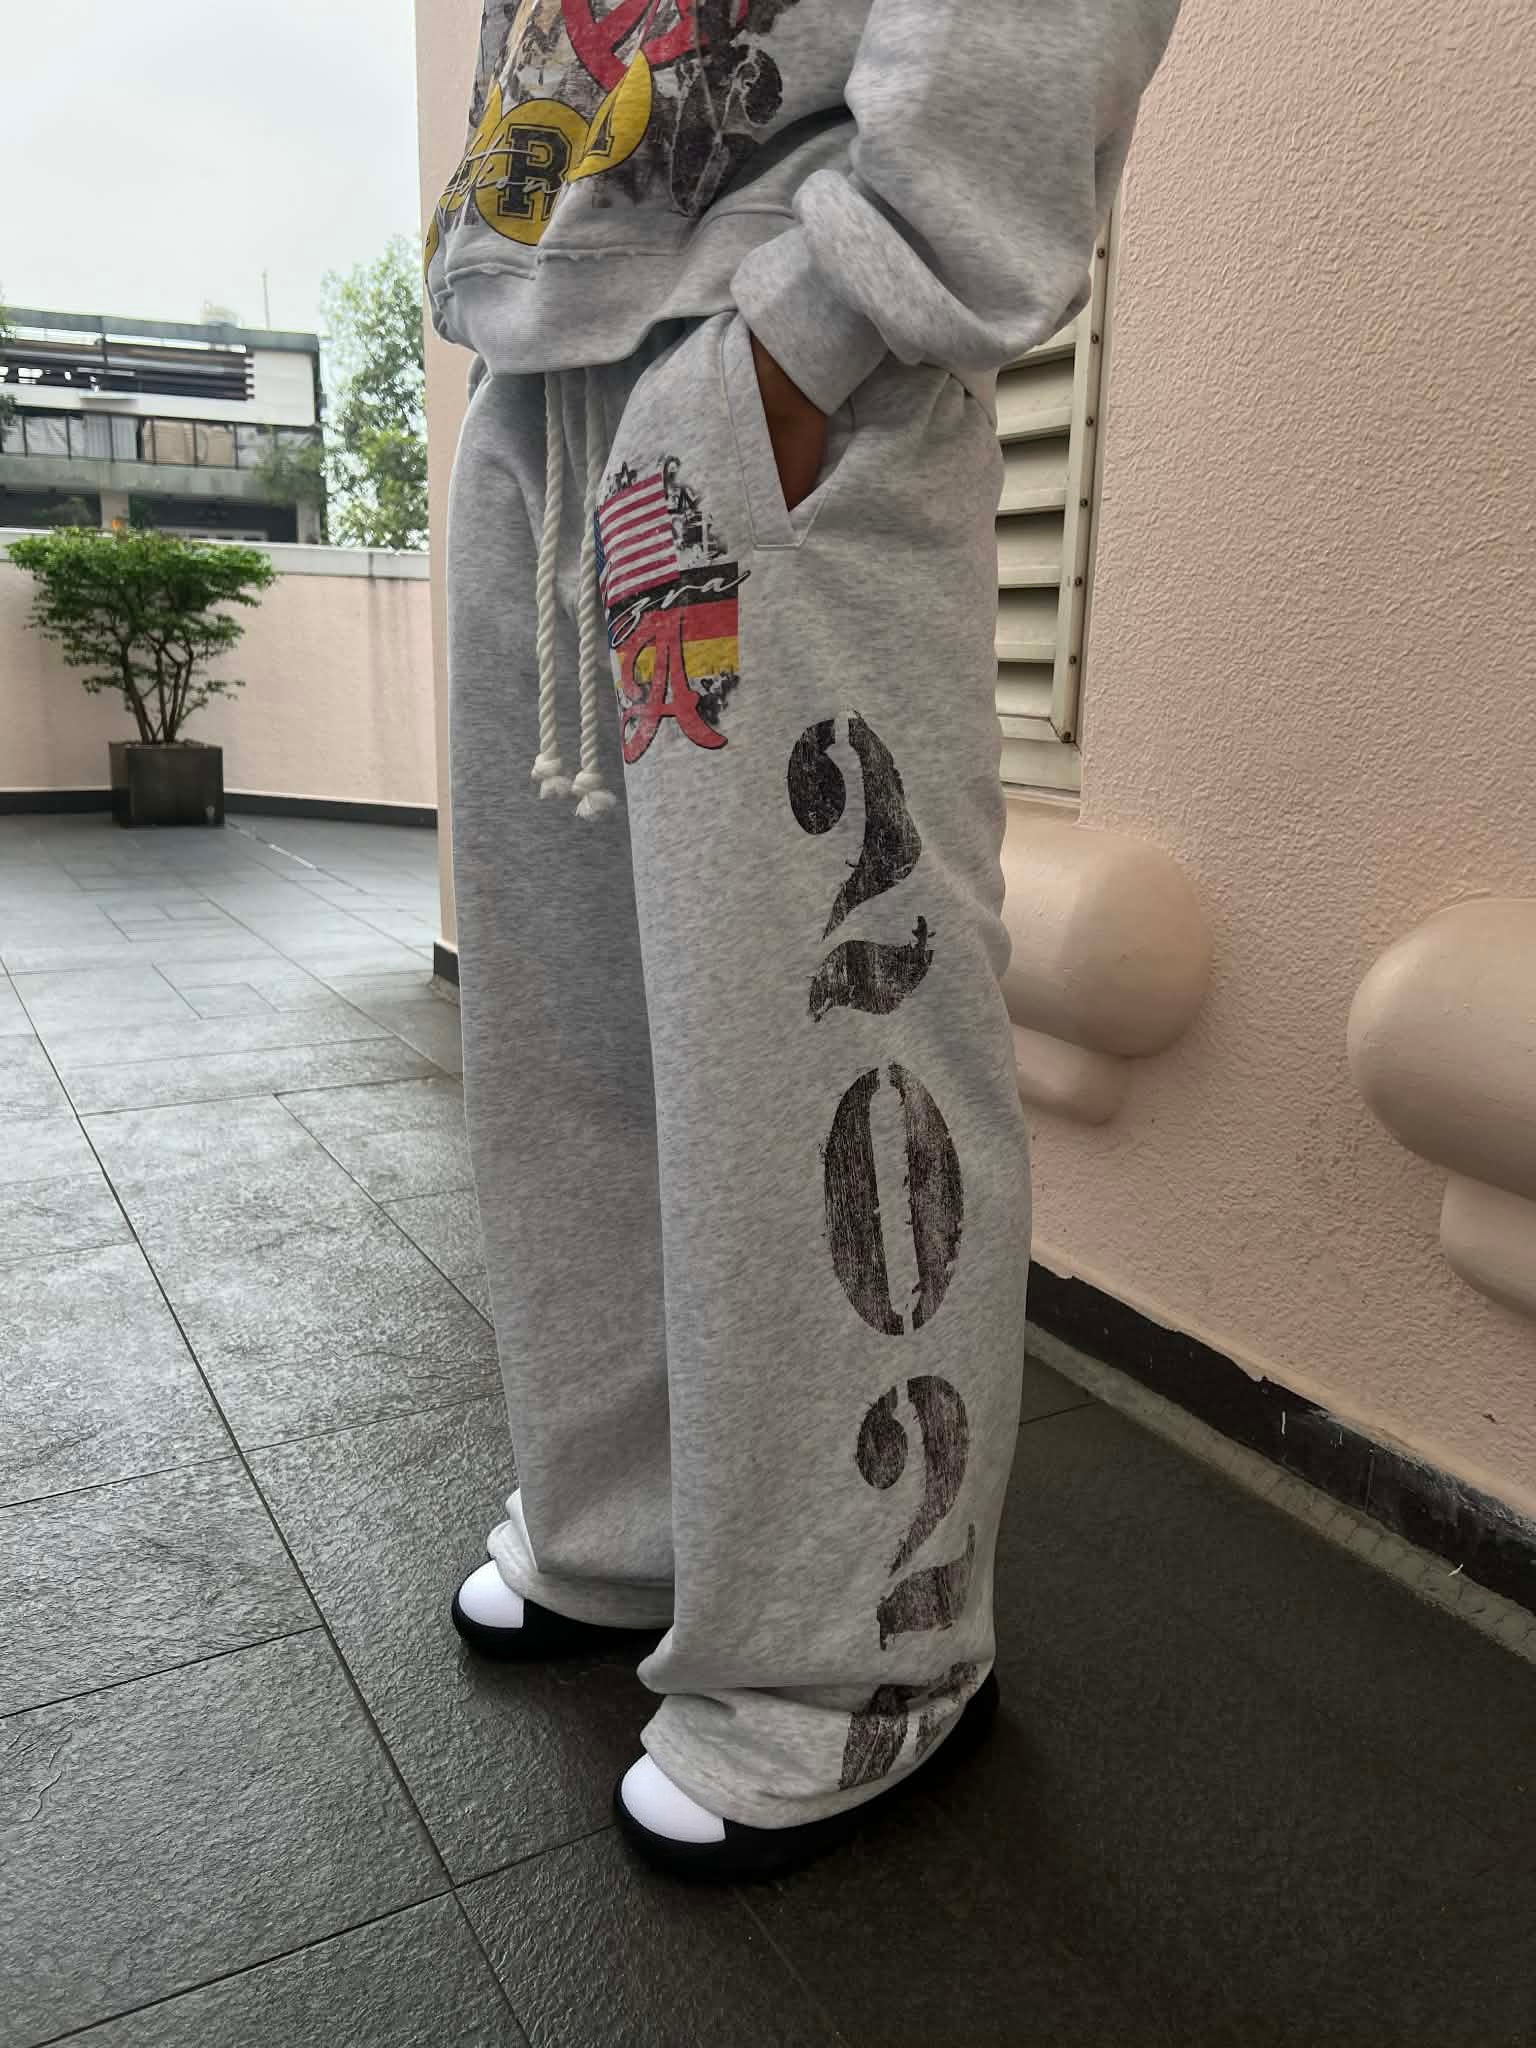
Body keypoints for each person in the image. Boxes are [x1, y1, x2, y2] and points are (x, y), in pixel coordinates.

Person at [432, 0, 1180, 1884]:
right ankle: (629, 1521)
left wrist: (832, 318)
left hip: (778, 348)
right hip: (548, 360)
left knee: (830, 1037)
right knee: (576, 1027)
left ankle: (866, 1657)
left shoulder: (800, 349)